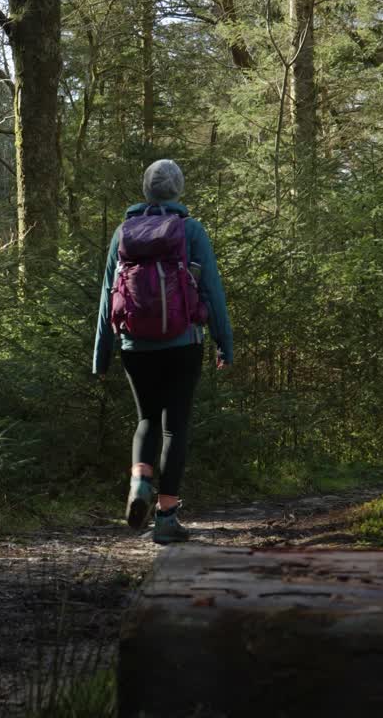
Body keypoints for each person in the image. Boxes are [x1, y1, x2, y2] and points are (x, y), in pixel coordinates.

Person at [92, 159, 234, 544]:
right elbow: (213, 292)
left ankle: (139, 484)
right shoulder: (190, 230)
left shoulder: (124, 232)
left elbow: (108, 296)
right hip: (183, 343)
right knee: (175, 427)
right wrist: (224, 342)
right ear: (178, 190)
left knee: (146, 421)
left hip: (134, 346)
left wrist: (101, 353)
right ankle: (166, 518)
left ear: (145, 189)